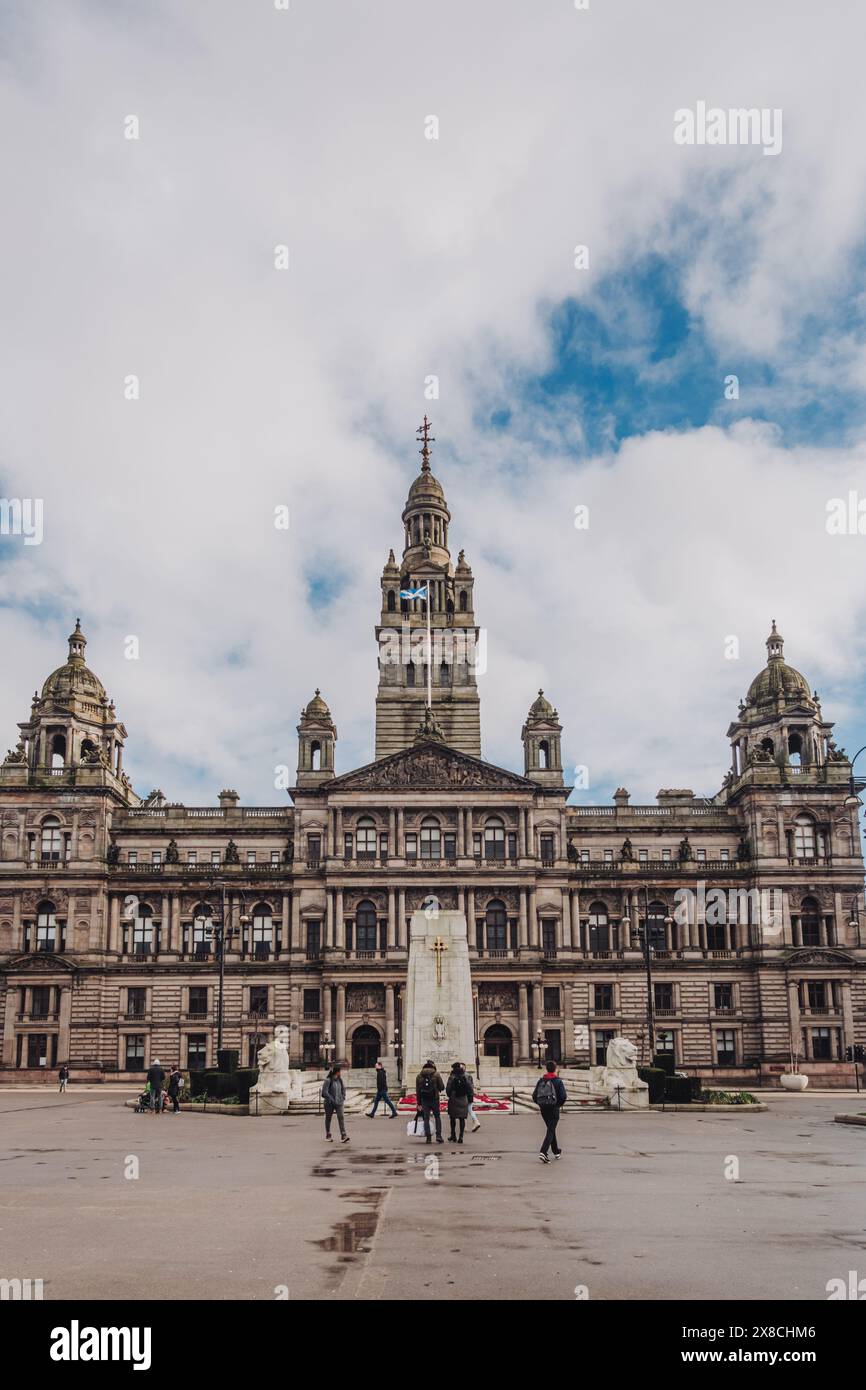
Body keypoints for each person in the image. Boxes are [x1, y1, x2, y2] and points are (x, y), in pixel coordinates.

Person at [533, 1059, 567, 1162]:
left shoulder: (541, 1080)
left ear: (546, 1069)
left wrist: (541, 1104)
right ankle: (543, 1152)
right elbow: (563, 1096)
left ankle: (556, 1151)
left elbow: (534, 1096)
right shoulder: (558, 1081)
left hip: (544, 1109)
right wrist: (557, 1105)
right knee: (551, 1130)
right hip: (553, 1109)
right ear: (555, 1069)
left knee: (551, 1129)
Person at [415, 1059, 445, 1143]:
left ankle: (428, 1137)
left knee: (426, 1118)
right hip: (434, 1099)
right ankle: (438, 1136)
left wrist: (419, 1102)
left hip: (424, 1100)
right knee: (437, 1117)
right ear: (433, 1066)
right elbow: (442, 1087)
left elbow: (418, 1091)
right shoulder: (436, 1074)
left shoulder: (419, 1076)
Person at [446, 1062, 474, 1144]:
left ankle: (453, 1135)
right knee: (462, 1119)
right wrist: (469, 1097)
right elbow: (470, 1088)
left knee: (452, 1118)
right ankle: (461, 1136)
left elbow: (448, 1089)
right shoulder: (465, 1076)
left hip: (454, 1098)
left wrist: (450, 1095)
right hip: (463, 1098)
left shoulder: (452, 1077)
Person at [322, 1066, 350, 1142]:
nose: (340, 1073)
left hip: (339, 1102)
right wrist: (331, 1099)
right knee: (328, 1118)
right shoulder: (328, 1080)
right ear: (336, 1072)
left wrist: (343, 1097)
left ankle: (343, 1135)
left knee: (341, 1118)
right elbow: (324, 1092)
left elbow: (343, 1089)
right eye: (339, 1071)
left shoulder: (340, 1080)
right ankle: (328, 1135)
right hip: (329, 1103)